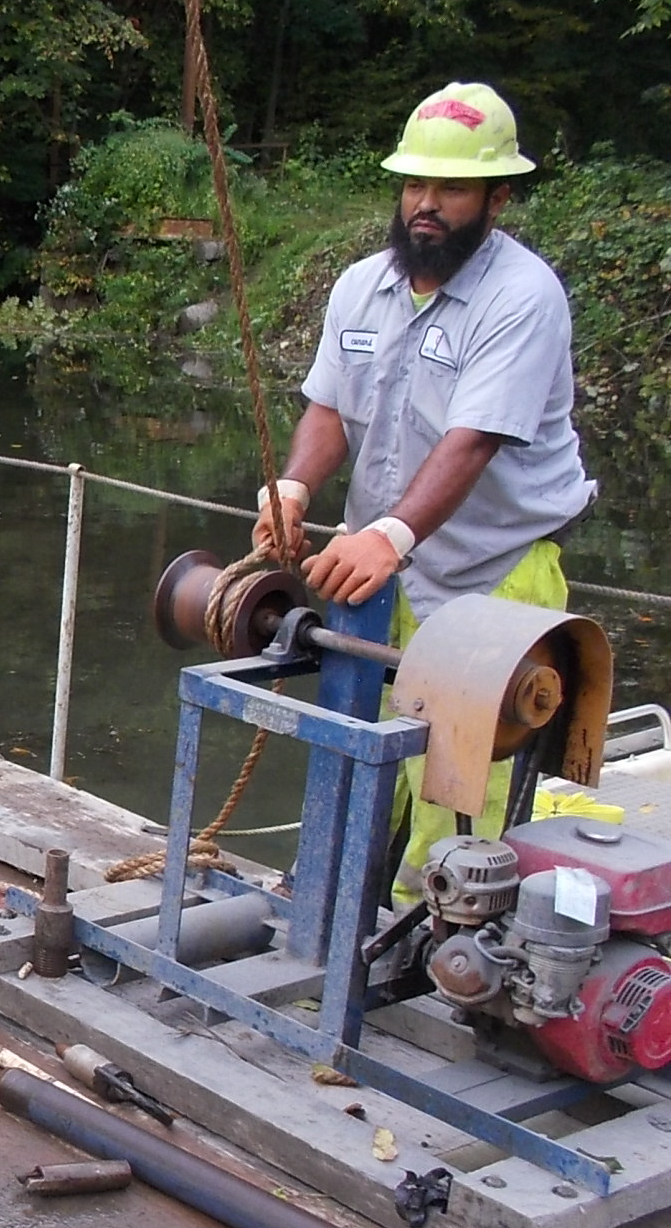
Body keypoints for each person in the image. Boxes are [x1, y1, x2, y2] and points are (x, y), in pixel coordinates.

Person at [253, 81, 596, 892]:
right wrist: (295, 487)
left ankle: (444, 978)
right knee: (359, 762)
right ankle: (341, 934)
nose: (426, 206)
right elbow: (330, 408)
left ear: (496, 196)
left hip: (494, 575)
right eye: (415, 185)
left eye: (450, 189)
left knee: (461, 794)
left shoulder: (522, 298)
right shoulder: (362, 286)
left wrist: (390, 535)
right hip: (382, 575)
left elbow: (471, 441)